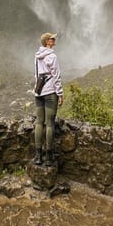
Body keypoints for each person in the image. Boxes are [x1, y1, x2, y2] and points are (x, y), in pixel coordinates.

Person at [33, 32, 64, 166]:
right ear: (47, 42)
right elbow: (56, 76)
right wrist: (60, 94)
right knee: (50, 123)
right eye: (52, 38)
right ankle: (48, 157)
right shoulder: (52, 56)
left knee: (39, 122)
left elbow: (36, 75)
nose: (54, 39)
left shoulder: (37, 56)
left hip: (39, 93)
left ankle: (38, 155)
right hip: (51, 92)